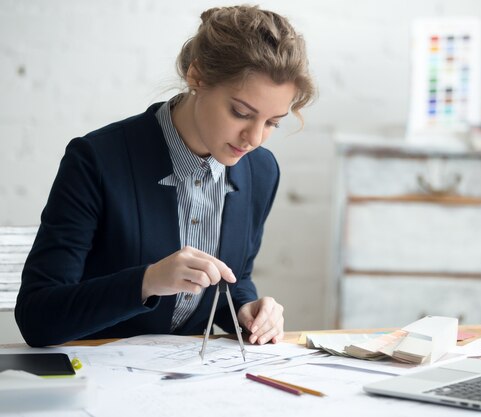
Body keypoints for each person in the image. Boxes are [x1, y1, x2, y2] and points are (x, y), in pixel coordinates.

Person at [15, 5, 315, 347]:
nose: (255, 138)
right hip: (95, 377)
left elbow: (235, 277)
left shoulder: (261, 170)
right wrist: (148, 281)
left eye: (273, 122)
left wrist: (247, 307)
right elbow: (37, 317)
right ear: (197, 76)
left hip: (190, 382)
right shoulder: (95, 160)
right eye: (241, 113)